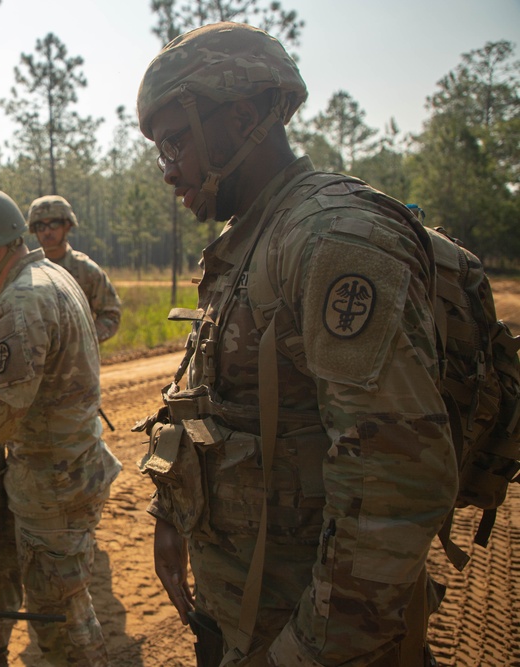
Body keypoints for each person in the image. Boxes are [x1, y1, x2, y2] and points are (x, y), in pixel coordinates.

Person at [133, 22, 457, 666]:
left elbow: (394, 487)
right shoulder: (254, 238)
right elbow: (215, 405)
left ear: (245, 117)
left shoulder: (332, 238)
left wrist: (303, 654)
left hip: (311, 638)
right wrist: (172, 513)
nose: (170, 172)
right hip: (247, 617)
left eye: (176, 144)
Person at [0, 188, 122, 667]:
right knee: (58, 597)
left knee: (61, 617)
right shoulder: (53, 275)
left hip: (51, 483)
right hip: (67, 470)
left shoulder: (23, 299)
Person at [26, 195, 122, 343]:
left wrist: (83, 340)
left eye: (54, 224)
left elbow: (111, 314)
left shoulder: (86, 270)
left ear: (67, 226)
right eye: (41, 226)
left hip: (78, 363)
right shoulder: (28, 272)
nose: (47, 232)